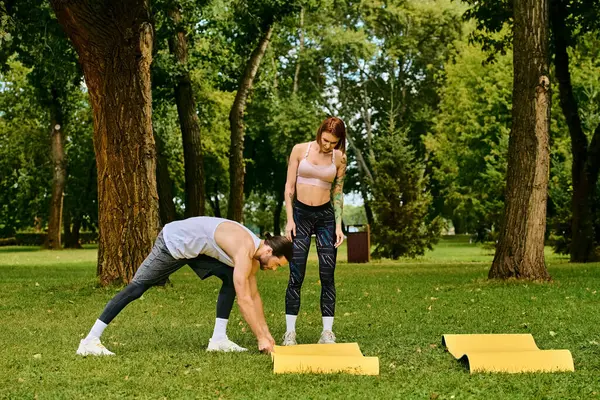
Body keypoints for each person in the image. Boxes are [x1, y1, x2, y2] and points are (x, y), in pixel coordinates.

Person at [76, 216, 292, 356]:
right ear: (270, 251)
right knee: (136, 289)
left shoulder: (253, 257)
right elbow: (244, 300)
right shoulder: (244, 250)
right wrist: (260, 338)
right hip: (173, 243)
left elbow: (254, 296)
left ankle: (218, 339)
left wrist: (266, 333)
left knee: (230, 278)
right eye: (277, 265)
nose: (274, 269)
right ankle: (90, 340)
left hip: (196, 250)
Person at [282, 116, 347, 346]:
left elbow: (337, 194)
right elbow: (289, 187)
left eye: (333, 142)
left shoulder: (339, 158)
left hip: (325, 219)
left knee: (327, 274)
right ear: (320, 132)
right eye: (325, 139)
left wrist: (338, 225)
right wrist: (290, 220)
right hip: (300, 216)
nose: (327, 145)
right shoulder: (300, 150)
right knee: (296, 274)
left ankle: (327, 333)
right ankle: (290, 332)